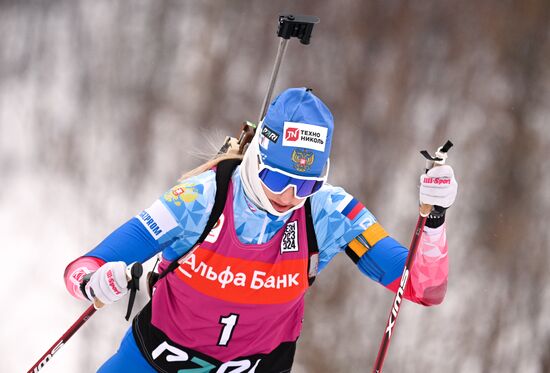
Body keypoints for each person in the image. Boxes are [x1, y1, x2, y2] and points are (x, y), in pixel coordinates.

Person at [64, 87, 458, 372]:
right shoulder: (199, 200)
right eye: (276, 178)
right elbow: (83, 267)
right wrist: (94, 282)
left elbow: (423, 288)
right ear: (256, 158)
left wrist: (434, 221)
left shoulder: (329, 213)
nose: (288, 196)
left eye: (305, 185)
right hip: (154, 364)